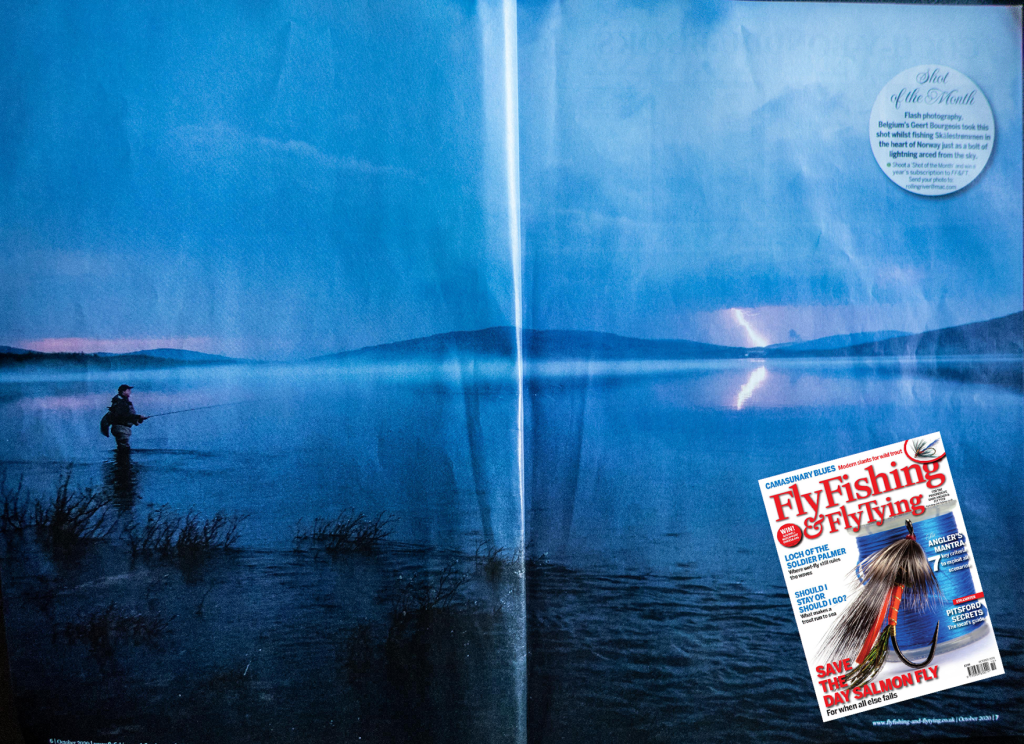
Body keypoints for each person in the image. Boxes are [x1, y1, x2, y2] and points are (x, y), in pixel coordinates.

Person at [107, 384, 147, 451]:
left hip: (121, 428)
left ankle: (121, 460)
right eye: (128, 390)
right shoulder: (121, 403)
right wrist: (139, 416)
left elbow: (126, 416)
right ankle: (123, 461)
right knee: (124, 449)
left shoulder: (121, 402)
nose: (130, 392)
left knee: (123, 447)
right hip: (121, 428)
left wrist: (138, 419)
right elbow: (124, 415)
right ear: (123, 392)